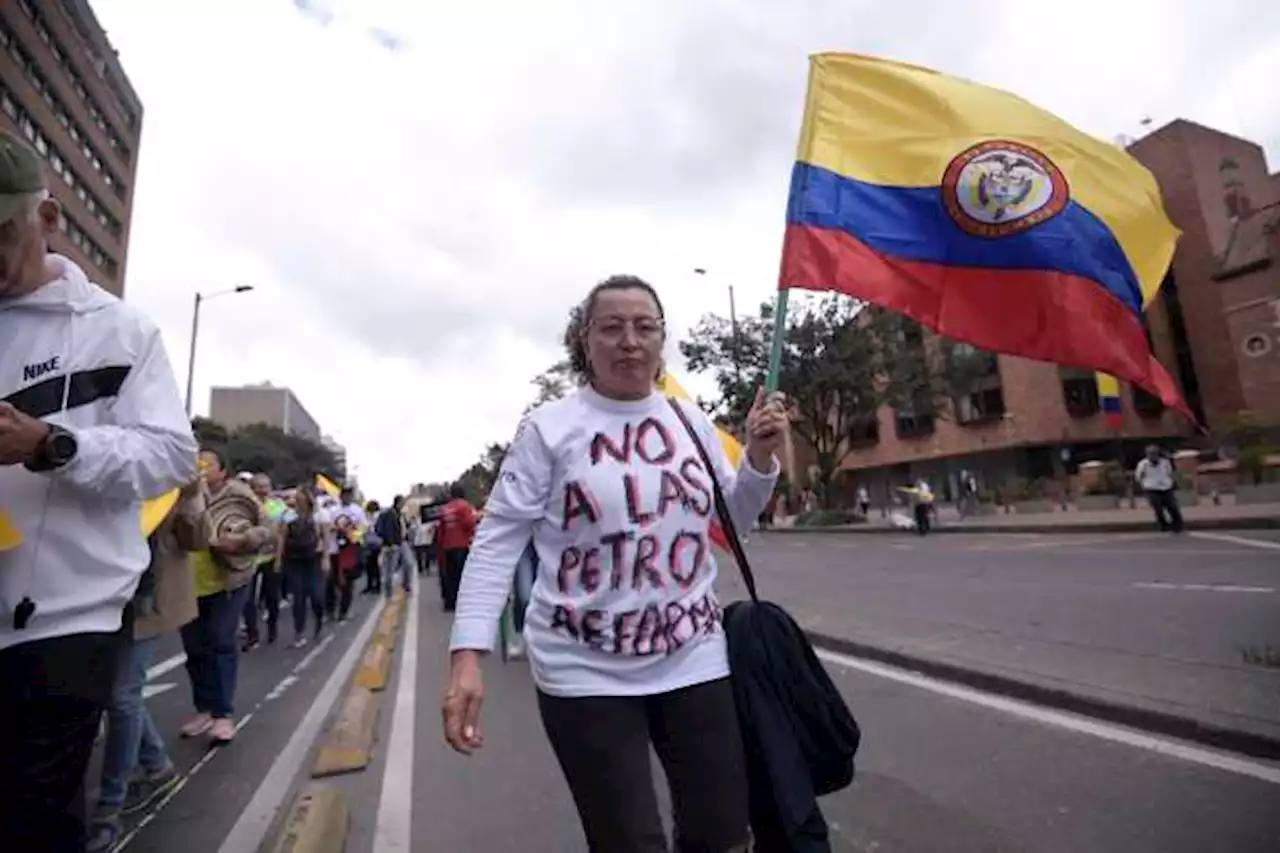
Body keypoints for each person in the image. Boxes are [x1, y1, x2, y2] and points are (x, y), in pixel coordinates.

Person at [442, 275, 786, 853]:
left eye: (644, 327)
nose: (630, 341)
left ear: (660, 341)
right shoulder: (549, 429)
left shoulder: (689, 421)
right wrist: (466, 658)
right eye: (612, 327)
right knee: (627, 840)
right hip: (583, 672)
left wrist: (758, 458)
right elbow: (497, 540)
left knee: (722, 835)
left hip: (693, 657)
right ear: (585, 341)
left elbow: (730, 523)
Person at [0, 130, 198, 852]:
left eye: (3, 234)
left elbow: (171, 455)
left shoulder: (120, 332)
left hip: (60, 626)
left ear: (47, 218)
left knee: (30, 823)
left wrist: (53, 444)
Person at [87, 480, 207, 852]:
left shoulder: (174, 473)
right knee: (116, 693)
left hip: (148, 601)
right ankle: (156, 765)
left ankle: (111, 805)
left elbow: (197, 539)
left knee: (123, 696)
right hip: (102, 592)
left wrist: (189, 497)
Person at [179, 448, 275, 744]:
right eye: (198, 462)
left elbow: (268, 530)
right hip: (188, 584)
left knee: (222, 642)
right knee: (195, 649)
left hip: (229, 581)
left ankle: (223, 715)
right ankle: (204, 709)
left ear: (223, 470)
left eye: (208, 464)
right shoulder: (181, 491)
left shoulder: (240, 494)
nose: (202, 468)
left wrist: (243, 539)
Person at [277, 486, 326, 647]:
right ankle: (299, 632)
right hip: (294, 561)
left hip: (313, 560)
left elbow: (325, 538)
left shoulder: (320, 515)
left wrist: (326, 558)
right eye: (295, 498)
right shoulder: (287, 516)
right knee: (298, 597)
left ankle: (318, 621)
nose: (296, 500)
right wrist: (278, 559)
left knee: (316, 596)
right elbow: (282, 538)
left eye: (300, 497)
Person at [243, 473, 286, 650]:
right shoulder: (244, 506)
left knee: (271, 597)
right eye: (257, 486)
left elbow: (281, 535)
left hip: (269, 558)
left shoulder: (277, 506)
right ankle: (252, 635)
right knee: (247, 599)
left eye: (265, 486)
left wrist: (278, 558)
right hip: (249, 559)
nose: (261, 490)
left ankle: (272, 628)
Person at [436, 484, 478, 612]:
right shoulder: (464, 506)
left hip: (447, 546)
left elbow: (440, 530)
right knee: (462, 575)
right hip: (461, 544)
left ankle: (450, 602)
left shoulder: (446, 508)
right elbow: (468, 523)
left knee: (450, 576)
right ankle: (463, 602)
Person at [1134, 444, 1184, 533]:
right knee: (1158, 509)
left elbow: (1169, 473)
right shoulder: (1143, 464)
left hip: (1166, 487)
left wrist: (1171, 483)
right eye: (1151, 455)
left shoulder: (1165, 462)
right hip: (1152, 488)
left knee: (1172, 507)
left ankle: (1178, 526)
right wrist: (1143, 485)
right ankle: (1164, 525)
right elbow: (1138, 477)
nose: (1153, 457)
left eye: (1154, 454)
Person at [376, 494, 414, 597]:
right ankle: (388, 591)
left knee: (409, 563)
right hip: (393, 544)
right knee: (390, 568)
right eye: (403, 502)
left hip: (402, 542)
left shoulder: (400, 514)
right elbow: (388, 529)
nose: (404, 504)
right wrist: (390, 543)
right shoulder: (390, 514)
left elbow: (404, 526)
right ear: (398, 502)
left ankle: (406, 584)